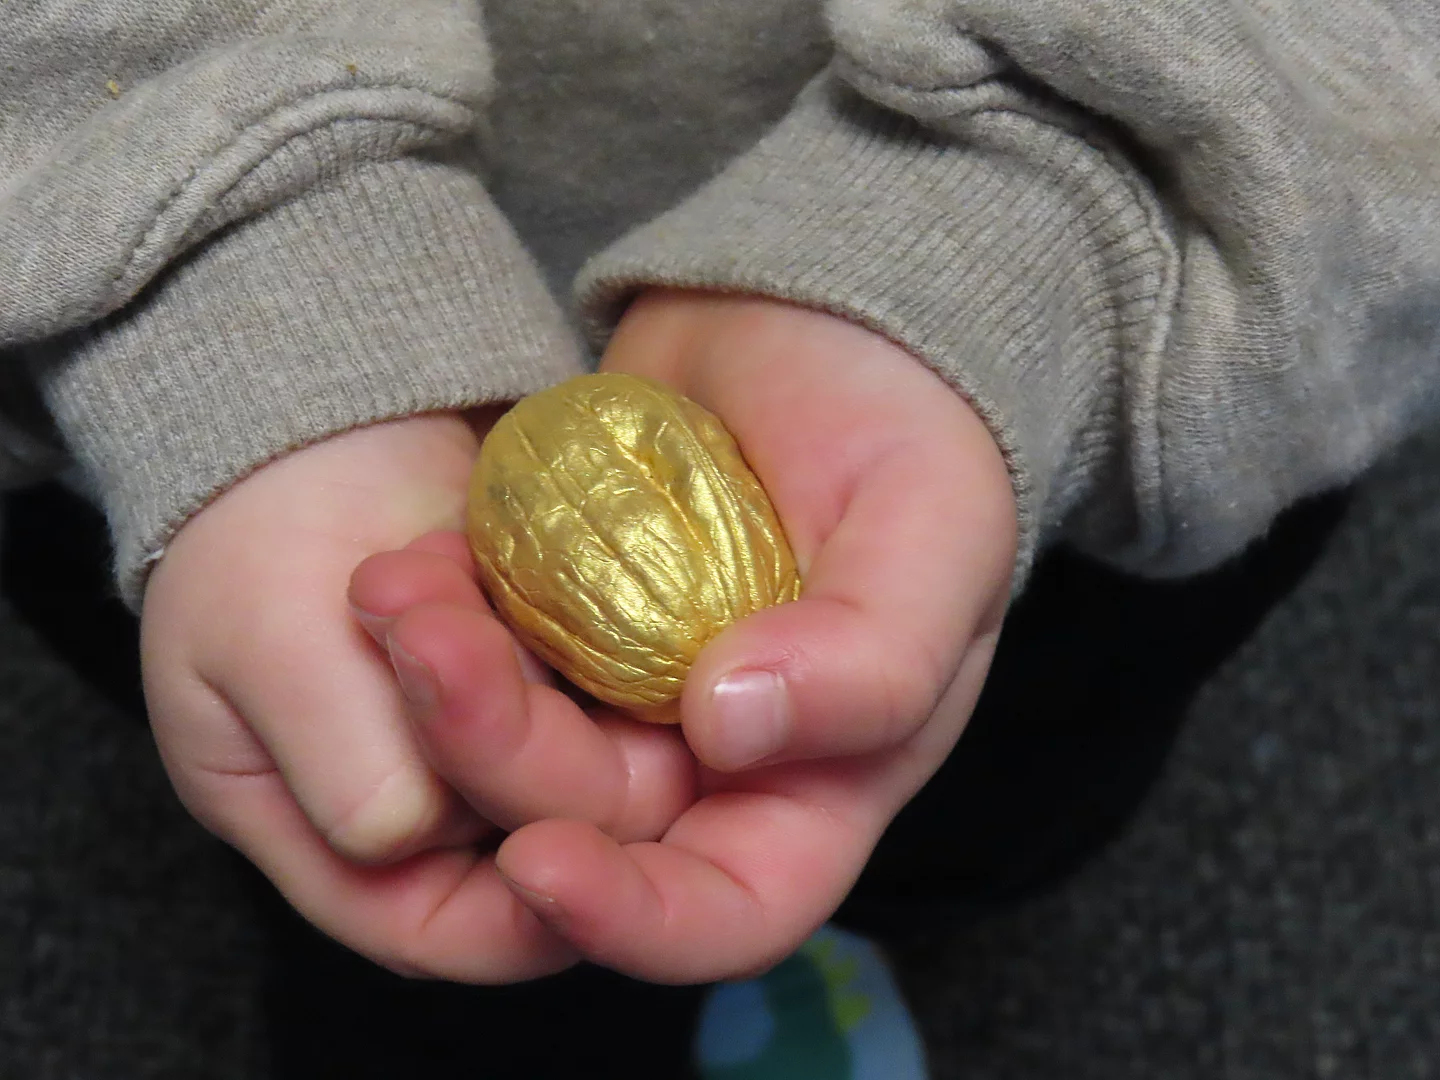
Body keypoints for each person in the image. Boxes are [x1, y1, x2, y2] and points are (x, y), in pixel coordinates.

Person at [2, 1, 1436, 1076]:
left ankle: (837, 926)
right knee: (422, 891)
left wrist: (1063, 198)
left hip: (1088, 382)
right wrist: (219, 259)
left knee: (979, 794)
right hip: (221, 421)